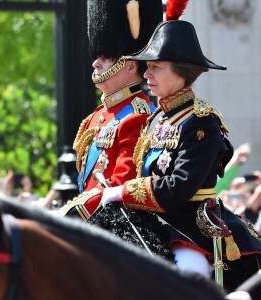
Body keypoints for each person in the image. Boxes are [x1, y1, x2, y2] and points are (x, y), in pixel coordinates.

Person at [100, 4, 261, 292]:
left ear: (181, 73)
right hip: (153, 220)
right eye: (148, 67)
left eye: (156, 67)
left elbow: (178, 187)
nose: (147, 75)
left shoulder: (202, 122)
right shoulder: (155, 119)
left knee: (190, 274)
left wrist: (123, 192)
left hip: (192, 225)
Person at [55, 0, 163, 220]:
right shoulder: (95, 117)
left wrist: (74, 213)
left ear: (131, 66)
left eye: (105, 58)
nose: (96, 64)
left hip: (120, 222)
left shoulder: (139, 115)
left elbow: (122, 181)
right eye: (97, 57)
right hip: (94, 218)